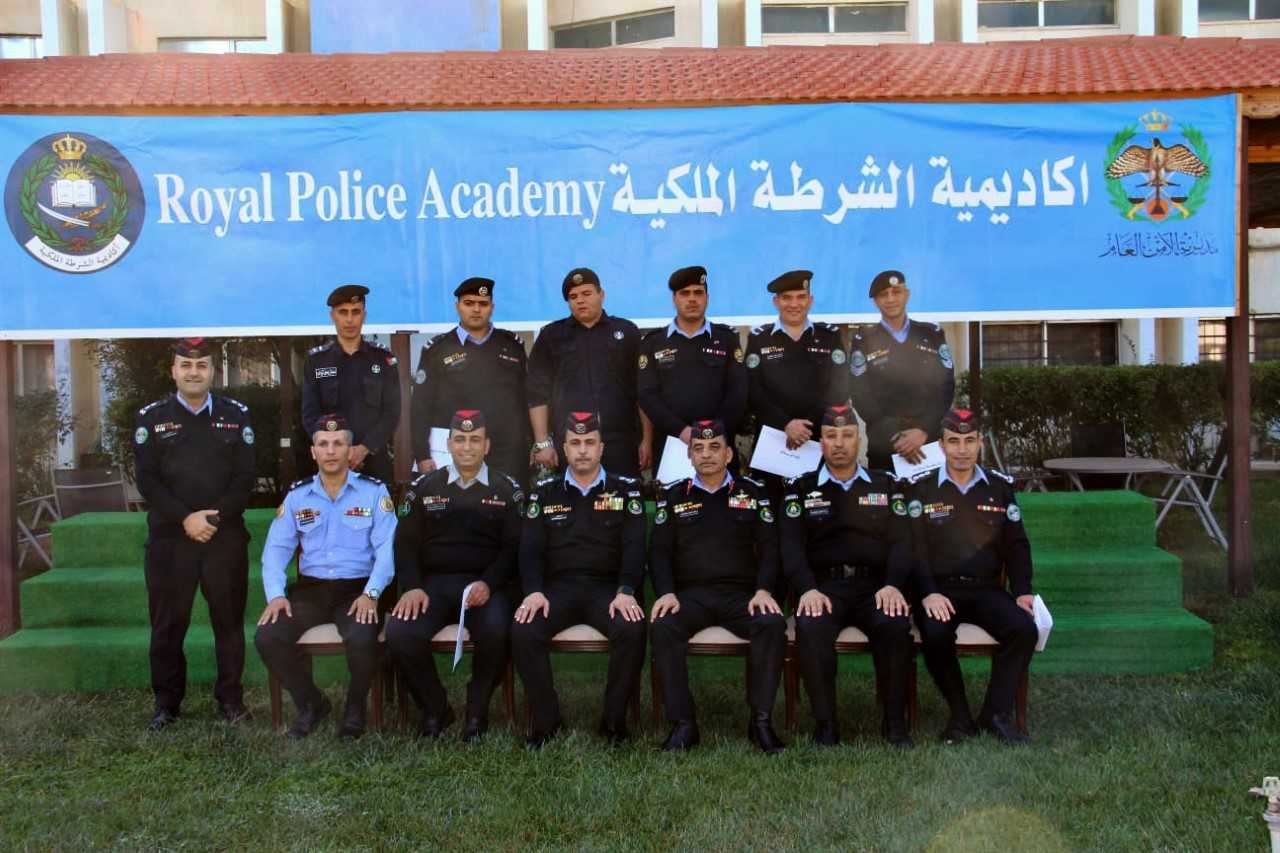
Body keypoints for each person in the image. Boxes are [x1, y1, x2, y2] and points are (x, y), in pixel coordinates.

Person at [134, 337, 255, 731]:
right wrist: (186, 518)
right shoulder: (151, 418)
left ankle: (231, 700)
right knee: (168, 626)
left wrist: (212, 519)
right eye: (185, 365)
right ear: (174, 371)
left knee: (228, 623)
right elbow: (147, 480)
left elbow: (245, 477)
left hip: (224, 537)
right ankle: (166, 704)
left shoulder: (237, 415)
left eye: (201, 365)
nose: (193, 372)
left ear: (212, 371)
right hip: (171, 539)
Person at [254, 415, 396, 740]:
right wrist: (276, 595)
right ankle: (311, 704)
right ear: (313, 451)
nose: (331, 451)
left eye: (338, 443)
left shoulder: (374, 492)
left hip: (357, 590)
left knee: (361, 637)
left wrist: (372, 594)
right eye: (323, 444)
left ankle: (355, 710)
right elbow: (275, 551)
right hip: (311, 591)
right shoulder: (297, 496)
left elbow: (387, 551)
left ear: (350, 450)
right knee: (268, 637)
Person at [648, 419, 786, 753]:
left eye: (714, 448)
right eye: (698, 448)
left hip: (741, 597)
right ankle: (683, 724)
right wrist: (666, 593)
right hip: (690, 598)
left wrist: (764, 590)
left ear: (728, 454)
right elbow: (659, 553)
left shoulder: (751, 493)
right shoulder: (674, 496)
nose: (706, 454)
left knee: (771, 624)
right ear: (689, 456)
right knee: (663, 626)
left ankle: (761, 722)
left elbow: (770, 548)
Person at [781, 404, 914, 748]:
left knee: (894, 624)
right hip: (824, 589)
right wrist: (807, 589)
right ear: (821, 443)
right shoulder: (801, 488)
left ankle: (895, 724)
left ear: (860, 442)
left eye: (847, 435)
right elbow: (791, 549)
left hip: (876, 588)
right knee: (811, 626)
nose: (839, 443)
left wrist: (893, 585)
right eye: (831, 436)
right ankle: (826, 725)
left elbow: (902, 543)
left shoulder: (887, 485)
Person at [512, 411, 647, 748]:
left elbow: (634, 548)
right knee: (525, 629)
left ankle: (613, 723)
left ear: (601, 448)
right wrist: (534, 592)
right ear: (564, 448)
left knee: (632, 628)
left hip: (608, 591)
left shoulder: (626, 491)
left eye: (589, 442)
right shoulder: (544, 493)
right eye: (575, 443)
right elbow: (530, 550)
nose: (583, 450)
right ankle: (547, 721)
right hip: (557, 591)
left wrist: (626, 590)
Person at [384, 410, 521, 741]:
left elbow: (514, 548)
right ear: (448, 444)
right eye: (460, 439)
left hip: (486, 586)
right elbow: (405, 543)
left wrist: (489, 583)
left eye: (475, 440)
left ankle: (477, 709)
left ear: (487, 445)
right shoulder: (424, 487)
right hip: (432, 586)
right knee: (401, 631)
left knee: (498, 630)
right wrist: (412, 587)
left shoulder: (507, 489)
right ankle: (435, 708)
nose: (467, 447)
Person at [907, 408, 1037, 746]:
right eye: (954, 441)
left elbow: (1017, 545)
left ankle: (996, 714)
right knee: (935, 634)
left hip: (985, 589)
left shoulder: (999, 488)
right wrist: (927, 592)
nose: (962, 450)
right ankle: (960, 716)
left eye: (969, 441)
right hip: (939, 591)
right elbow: (914, 550)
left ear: (981, 443)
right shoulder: (922, 489)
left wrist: (1023, 591)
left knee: (1023, 629)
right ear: (941, 446)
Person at [526, 268, 651, 478]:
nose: (580, 301)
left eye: (586, 293)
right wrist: (542, 442)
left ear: (601, 294)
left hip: (621, 443)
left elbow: (643, 390)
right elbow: (537, 393)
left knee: (624, 498)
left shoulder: (627, 332)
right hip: (570, 444)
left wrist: (647, 440)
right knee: (572, 498)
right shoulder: (551, 336)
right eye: (573, 297)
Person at [410, 277, 531, 487]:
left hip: (508, 453)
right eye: (469, 303)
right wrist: (422, 455)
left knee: (511, 505)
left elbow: (528, 399)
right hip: (457, 453)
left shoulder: (512, 345)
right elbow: (420, 407)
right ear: (457, 306)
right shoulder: (437, 349)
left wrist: (533, 444)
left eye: (483, 304)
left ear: (492, 308)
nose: (476, 309)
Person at [638, 266, 747, 475]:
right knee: (673, 497)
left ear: (707, 298)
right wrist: (682, 431)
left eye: (698, 292)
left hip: (719, 444)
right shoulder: (653, 343)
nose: (692, 299)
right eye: (684, 293)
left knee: (723, 496)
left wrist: (712, 434)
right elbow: (647, 395)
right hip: (672, 445)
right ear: (674, 299)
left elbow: (738, 392)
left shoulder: (727, 339)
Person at [844, 270, 955, 470]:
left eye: (896, 292)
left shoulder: (932, 334)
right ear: (875, 302)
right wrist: (894, 436)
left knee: (931, 491)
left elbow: (945, 387)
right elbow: (860, 394)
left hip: (927, 443)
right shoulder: (864, 339)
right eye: (883, 295)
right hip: (885, 446)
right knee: (885, 491)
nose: (890, 299)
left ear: (907, 294)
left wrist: (923, 430)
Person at [301, 284, 401, 483]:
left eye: (355, 312)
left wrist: (363, 449)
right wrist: (336, 450)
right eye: (343, 312)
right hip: (330, 463)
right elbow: (309, 415)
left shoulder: (383, 359)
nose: (349, 320)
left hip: (374, 462)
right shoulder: (317, 361)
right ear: (333, 316)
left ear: (364, 315)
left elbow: (392, 412)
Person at [745, 270, 847, 453]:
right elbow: (752, 388)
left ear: (810, 300)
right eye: (787, 298)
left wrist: (806, 426)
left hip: (818, 437)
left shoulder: (830, 336)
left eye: (801, 297)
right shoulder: (759, 338)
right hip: (772, 436)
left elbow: (840, 386)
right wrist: (785, 424)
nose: (794, 304)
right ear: (776, 302)